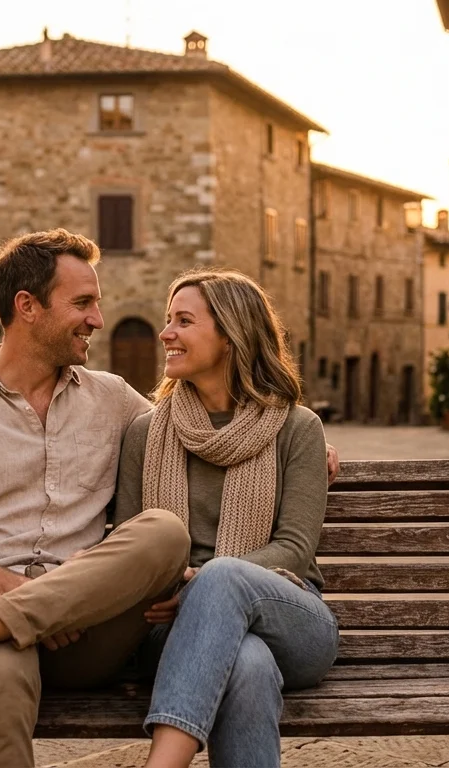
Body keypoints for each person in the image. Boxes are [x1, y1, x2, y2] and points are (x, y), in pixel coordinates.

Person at [0, 230, 338, 768]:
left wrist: (300, 439)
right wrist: (34, 599)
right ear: (28, 307)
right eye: (83, 303)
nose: (98, 320)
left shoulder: (113, 399)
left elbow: (214, 419)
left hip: (87, 631)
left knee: (163, 531)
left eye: (98, 304)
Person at [113, 268, 338, 768]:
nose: (166, 333)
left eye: (184, 321)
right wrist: (184, 591)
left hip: (291, 615)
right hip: (165, 630)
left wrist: (198, 584)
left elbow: (295, 551)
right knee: (248, 664)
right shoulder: (144, 434)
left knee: (223, 577)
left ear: (231, 334)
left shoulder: (297, 429)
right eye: (167, 319)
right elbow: (127, 548)